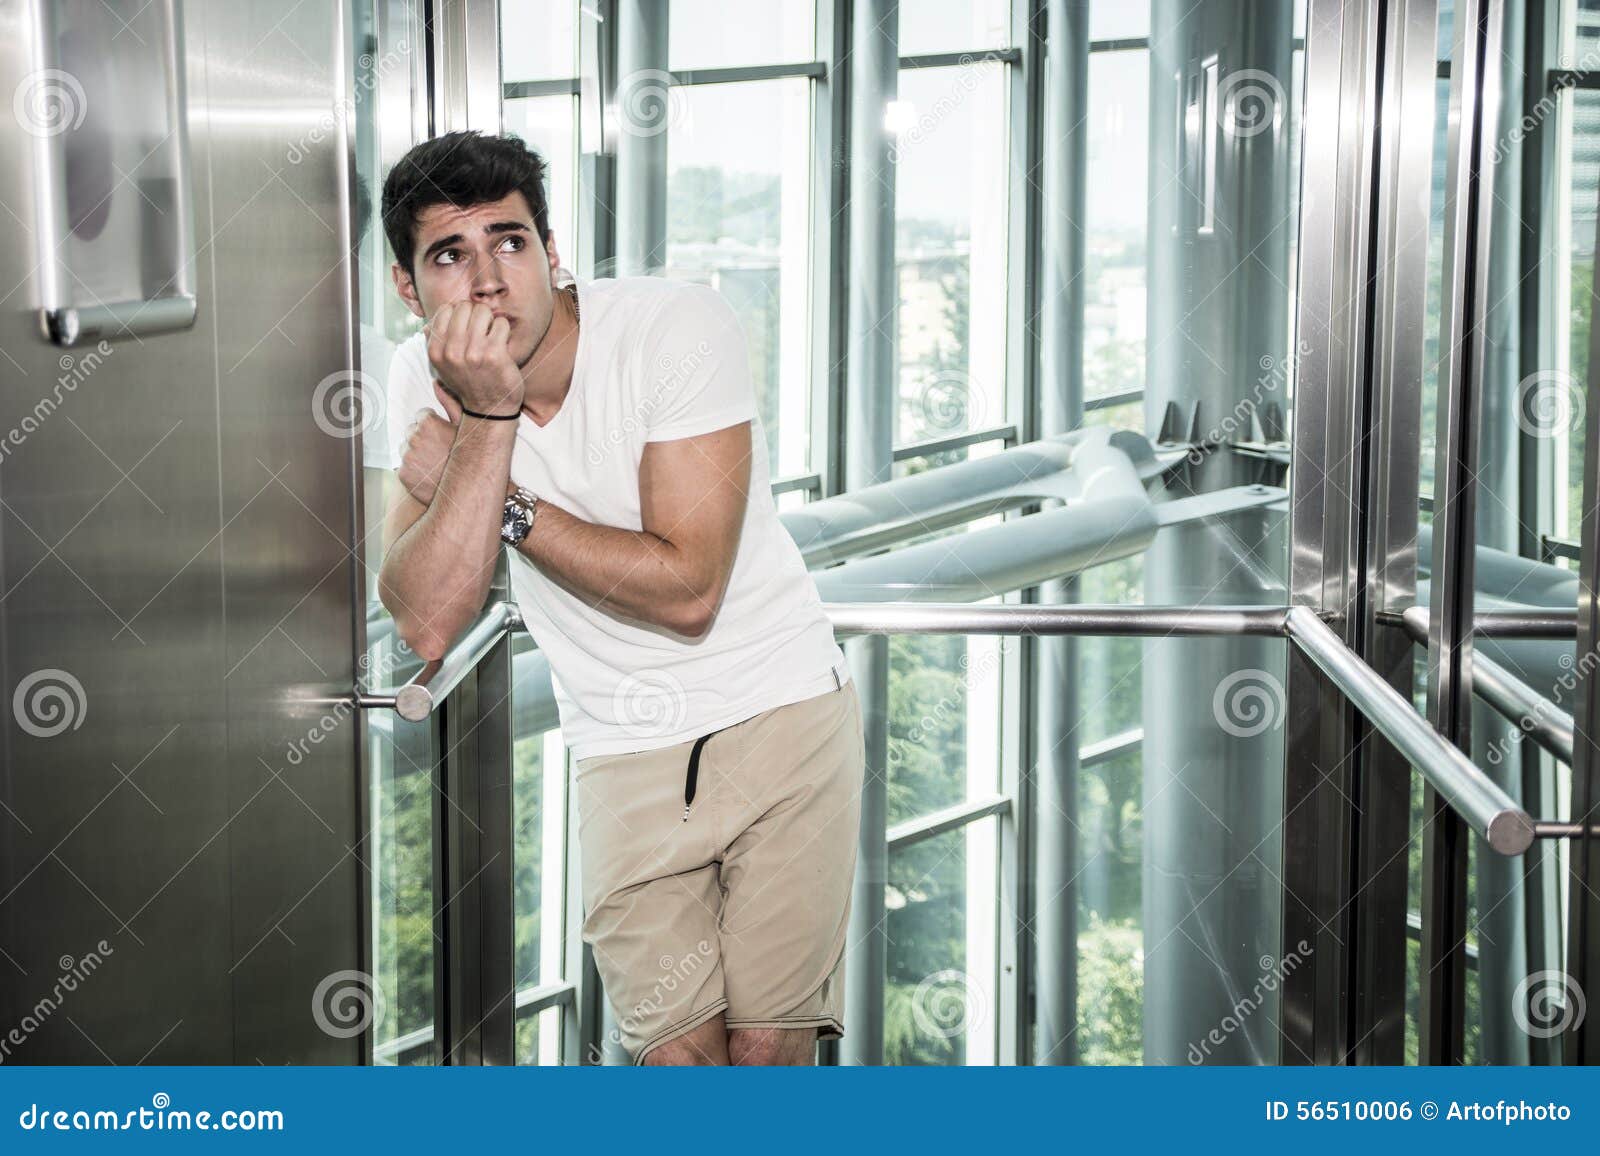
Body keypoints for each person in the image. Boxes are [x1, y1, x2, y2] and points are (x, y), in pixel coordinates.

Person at [376, 130, 865, 1066]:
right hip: (620, 748)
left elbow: (688, 590)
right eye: (450, 255)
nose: (486, 281)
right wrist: (486, 416)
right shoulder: (420, 379)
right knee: (673, 1065)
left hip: (781, 715)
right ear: (410, 287)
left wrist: (503, 498)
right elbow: (428, 618)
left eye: (510, 242)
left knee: (768, 1058)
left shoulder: (675, 328)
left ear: (552, 252)